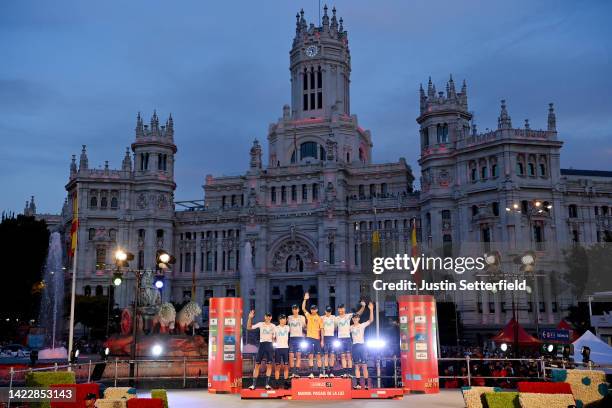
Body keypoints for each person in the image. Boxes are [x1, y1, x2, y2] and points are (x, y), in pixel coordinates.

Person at [335, 300, 366, 377]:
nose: (341, 310)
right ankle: (345, 373)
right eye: (339, 308)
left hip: (348, 338)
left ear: (344, 309)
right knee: (342, 356)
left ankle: (349, 373)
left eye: (342, 308)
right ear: (338, 310)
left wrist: (363, 306)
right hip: (340, 339)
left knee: (348, 356)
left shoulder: (348, 316)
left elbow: (358, 314)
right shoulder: (336, 318)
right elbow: (333, 327)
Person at [247, 310, 275, 390]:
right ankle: (253, 385)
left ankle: (267, 385)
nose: (268, 317)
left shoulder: (273, 326)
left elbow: (274, 337)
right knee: (257, 365)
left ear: (271, 317)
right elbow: (249, 327)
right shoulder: (260, 324)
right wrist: (250, 317)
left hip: (269, 345)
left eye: (270, 316)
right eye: (267, 316)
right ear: (265, 317)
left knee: (269, 365)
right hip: (262, 345)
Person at [350, 302, 374, 389]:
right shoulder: (350, 327)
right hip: (355, 346)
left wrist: (371, 310)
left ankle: (367, 384)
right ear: (352, 319)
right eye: (354, 318)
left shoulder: (362, 325)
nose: (355, 319)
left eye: (356, 318)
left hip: (362, 346)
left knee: (364, 366)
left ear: (359, 319)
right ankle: (358, 384)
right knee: (356, 366)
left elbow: (371, 320)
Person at [302, 292, 325, 378]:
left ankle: (320, 373)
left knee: (318, 356)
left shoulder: (319, 318)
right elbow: (303, 308)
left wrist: (322, 340)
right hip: (309, 338)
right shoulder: (309, 316)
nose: (313, 310)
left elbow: (322, 330)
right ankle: (311, 373)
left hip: (317, 339)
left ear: (317, 310)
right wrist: (305, 299)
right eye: (312, 309)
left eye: (314, 309)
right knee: (310, 356)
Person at [287, 304, 306, 378]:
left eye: (296, 309)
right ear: (292, 310)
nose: (295, 310)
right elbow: (287, 328)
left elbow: (304, 327)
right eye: (293, 309)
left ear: (298, 310)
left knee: (298, 355)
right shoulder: (289, 317)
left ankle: (297, 372)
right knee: (291, 355)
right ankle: (292, 373)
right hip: (292, 338)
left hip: (299, 338)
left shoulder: (302, 317)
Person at [273, 314, 290, 388]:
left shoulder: (288, 327)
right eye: (283, 319)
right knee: (277, 367)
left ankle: (286, 383)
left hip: (286, 348)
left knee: (286, 366)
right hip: (278, 349)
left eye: (285, 319)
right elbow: (273, 338)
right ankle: (277, 383)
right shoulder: (276, 328)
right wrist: (274, 345)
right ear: (280, 320)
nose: (284, 320)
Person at [321, 306, 337, 377]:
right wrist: (322, 340)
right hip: (325, 337)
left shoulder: (334, 317)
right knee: (326, 355)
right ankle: (326, 372)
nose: (328, 313)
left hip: (332, 337)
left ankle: (331, 371)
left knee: (332, 355)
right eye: (327, 311)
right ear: (325, 311)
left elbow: (336, 326)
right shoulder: (322, 318)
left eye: (330, 311)